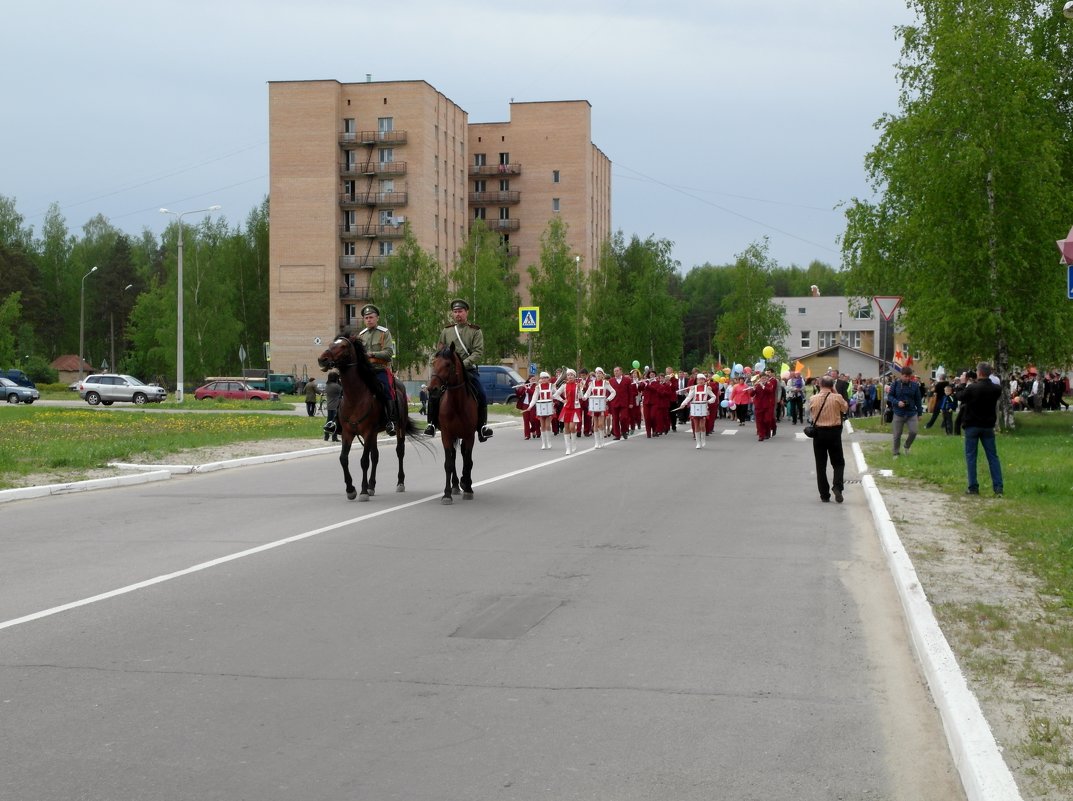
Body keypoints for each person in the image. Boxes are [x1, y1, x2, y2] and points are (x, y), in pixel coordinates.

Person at [424, 299, 493, 441]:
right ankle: (431, 424)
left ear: (466, 312)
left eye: (460, 311)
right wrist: (436, 362)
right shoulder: (446, 331)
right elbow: (440, 350)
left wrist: (463, 364)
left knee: (481, 393)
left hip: (468, 370)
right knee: (434, 392)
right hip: (448, 371)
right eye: (455, 312)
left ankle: (482, 427)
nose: (457, 314)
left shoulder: (475, 331)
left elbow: (478, 352)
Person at [956, 362, 1003, 497]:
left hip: (972, 425)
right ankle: (998, 487)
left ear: (979, 373)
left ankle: (973, 487)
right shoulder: (996, 389)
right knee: (993, 457)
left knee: (971, 457)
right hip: (988, 426)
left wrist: (962, 383)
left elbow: (960, 396)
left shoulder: (972, 388)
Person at [354, 303, 397, 436]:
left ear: (377, 318)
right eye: (366, 318)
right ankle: (338, 421)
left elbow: (389, 352)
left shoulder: (384, 333)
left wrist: (372, 354)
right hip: (364, 371)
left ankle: (390, 421)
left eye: (371, 317)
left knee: (386, 389)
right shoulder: (361, 335)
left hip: (379, 369)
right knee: (346, 389)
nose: (369, 320)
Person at [808, 375, 850, 502]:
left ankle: (824, 495)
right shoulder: (837, 397)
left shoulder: (813, 398)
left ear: (820, 385)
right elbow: (845, 408)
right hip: (834, 432)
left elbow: (811, 414)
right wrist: (835, 392)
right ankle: (837, 486)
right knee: (838, 463)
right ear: (832, 386)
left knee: (820, 465)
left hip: (819, 433)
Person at [887, 365, 923, 457]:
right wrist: (897, 402)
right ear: (901, 375)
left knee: (914, 432)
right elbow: (890, 396)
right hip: (899, 413)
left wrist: (920, 413)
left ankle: (907, 446)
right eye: (905, 376)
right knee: (897, 434)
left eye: (909, 377)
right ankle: (896, 453)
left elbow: (918, 400)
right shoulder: (895, 384)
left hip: (911, 413)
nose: (907, 378)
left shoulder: (914, 385)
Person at [675, 373, 716, 448]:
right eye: (699, 379)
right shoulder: (694, 388)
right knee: (696, 425)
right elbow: (689, 397)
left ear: (704, 380)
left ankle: (703, 439)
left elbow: (714, 397)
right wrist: (683, 404)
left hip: (703, 408)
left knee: (702, 425)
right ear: (697, 380)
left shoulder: (707, 388)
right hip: (695, 408)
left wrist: (708, 401)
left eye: (702, 379)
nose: (701, 381)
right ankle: (698, 443)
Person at [583, 367, 617, 448]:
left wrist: (608, 399)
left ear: (602, 375)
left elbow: (613, 392)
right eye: (597, 373)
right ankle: (596, 442)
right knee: (595, 424)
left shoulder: (605, 383)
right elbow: (588, 393)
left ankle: (602, 440)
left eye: (600, 373)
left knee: (601, 424)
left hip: (602, 406)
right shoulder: (592, 383)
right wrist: (585, 397)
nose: (598, 375)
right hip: (594, 406)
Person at [553, 368, 583, 454]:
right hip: (566, 408)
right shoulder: (564, 386)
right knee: (566, 428)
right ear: (567, 376)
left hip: (575, 408)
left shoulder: (577, 385)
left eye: (572, 375)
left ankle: (573, 444)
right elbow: (555, 395)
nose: (570, 376)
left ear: (574, 376)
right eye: (568, 375)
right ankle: (568, 448)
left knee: (572, 427)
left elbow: (581, 397)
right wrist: (562, 400)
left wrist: (579, 389)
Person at [527, 371, 558, 449]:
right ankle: (544, 443)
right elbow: (534, 398)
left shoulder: (551, 386)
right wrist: (530, 406)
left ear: (548, 379)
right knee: (542, 426)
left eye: (546, 378)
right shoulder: (538, 387)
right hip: (541, 408)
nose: (544, 379)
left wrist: (553, 396)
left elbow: (557, 394)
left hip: (549, 407)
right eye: (542, 378)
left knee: (547, 425)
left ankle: (549, 442)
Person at [322, 370, 342, 442]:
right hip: (335, 405)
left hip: (329, 405)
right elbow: (342, 391)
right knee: (335, 422)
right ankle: (334, 437)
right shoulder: (336, 386)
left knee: (328, 420)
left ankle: (326, 436)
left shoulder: (327, 385)